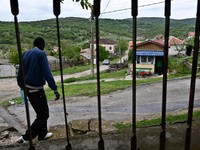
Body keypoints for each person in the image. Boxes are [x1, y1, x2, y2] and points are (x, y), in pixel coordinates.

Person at [17, 37, 60, 143]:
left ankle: (42, 134)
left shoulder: (25, 54)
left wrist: (22, 87)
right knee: (44, 114)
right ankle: (26, 137)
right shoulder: (40, 54)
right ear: (42, 45)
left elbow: (20, 73)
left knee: (40, 113)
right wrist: (54, 89)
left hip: (27, 89)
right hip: (37, 90)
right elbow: (47, 73)